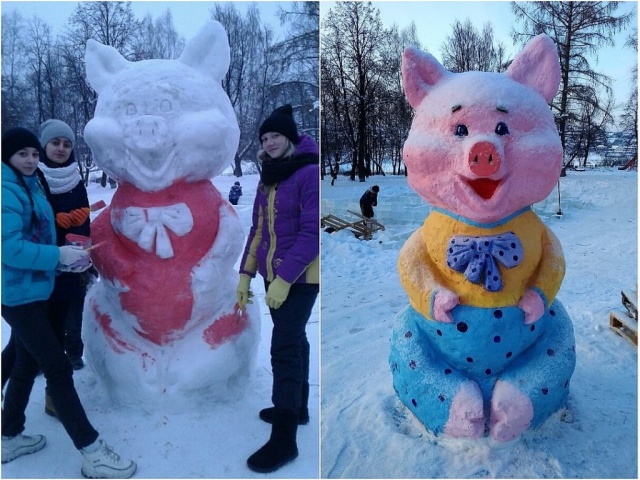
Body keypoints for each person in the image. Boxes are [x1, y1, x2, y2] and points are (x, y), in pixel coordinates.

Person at [1, 127, 136, 478]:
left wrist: (69, 254)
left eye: (33, 154)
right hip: (18, 293)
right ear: (8, 157)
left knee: (26, 364)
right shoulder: (6, 190)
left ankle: (8, 435)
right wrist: (56, 255)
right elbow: (7, 248)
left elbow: (41, 234)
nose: (31, 160)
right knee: (58, 369)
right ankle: (93, 452)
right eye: (23, 155)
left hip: (36, 289)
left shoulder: (27, 184)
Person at [236, 105, 319, 473]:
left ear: (290, 137)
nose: (269, 142)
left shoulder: (308, 173)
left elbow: (312, 233)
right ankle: (297, 408)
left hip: (301, 279)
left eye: (275, 136)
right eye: (264, 137)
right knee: (295, 338)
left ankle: (284, 441)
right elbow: (258, 230)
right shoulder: (268, 176)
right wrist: (245, 274)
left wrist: (285, 280)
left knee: (283, 347)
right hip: (274, 276)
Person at [38, 119, 91, 374]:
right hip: (46, 258)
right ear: (44, 146)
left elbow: (86, 215)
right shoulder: (35, 177)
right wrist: (58, 220)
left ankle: (73, 352)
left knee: (74, 308)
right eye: (55, 143)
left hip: (76, 256)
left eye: (67, 144)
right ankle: (44, 357)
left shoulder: (76, 179)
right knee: (45, 313)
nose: (61, 148)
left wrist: (81, 228)